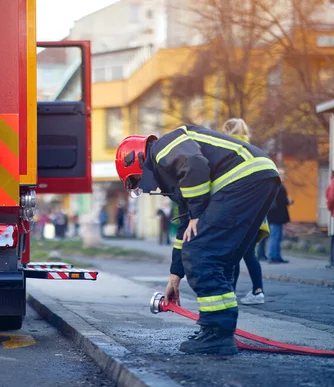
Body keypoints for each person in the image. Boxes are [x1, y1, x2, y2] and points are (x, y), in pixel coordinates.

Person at [115, 124, 280, 355]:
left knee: (202, 252)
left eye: (134, 181)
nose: (140, 186)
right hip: (258, 177)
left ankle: (217, 332)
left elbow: (194, 163)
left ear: (137, 159)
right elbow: (186, 228)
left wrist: (198, 212)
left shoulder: (162, 148)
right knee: (221, 258)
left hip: (243, 178)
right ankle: (218, 330)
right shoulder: (174, 173)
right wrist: (175, 275)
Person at [222, 118, 268, 305]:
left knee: (233, 253)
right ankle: (258, 291)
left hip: (240, 211)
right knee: (249, 253)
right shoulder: (253, 149)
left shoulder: (231, 150)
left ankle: (230, 293)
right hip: (257, 212)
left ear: (227, 131)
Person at [267, 169, 292, 264]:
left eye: (283, 174)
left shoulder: (275, 185)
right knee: (275, 236)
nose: (283, 176)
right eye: (281, 174)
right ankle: (273, 256)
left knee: (278, 236)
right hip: (276, 215)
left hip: (276, 215)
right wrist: (288, 201)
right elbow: (281, 201)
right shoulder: (277, 186)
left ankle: (276, 256)